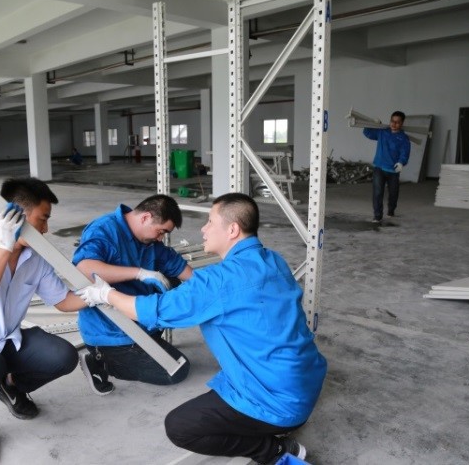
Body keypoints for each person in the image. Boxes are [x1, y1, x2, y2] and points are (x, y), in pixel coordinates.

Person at [77, 193, 327, 465]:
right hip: (306, 385)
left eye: (210, 222)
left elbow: (150, 309)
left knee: (180, 427)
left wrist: (105, 294)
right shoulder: (273, 260)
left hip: (275, 403)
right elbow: (87, 265)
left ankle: (275, 450)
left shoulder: (218, 281)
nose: (203, 229)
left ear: (232, 230)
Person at [0, 177, 86, 420]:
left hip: (8, 341)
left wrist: (97, 294)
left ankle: (10, 384)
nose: (45, 229)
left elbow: (63, 300)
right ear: (17, 216)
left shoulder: (35, 258)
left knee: (64, 356)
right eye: (42, 219)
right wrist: (4, 246)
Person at [72, 194, 193, 395]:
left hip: (139, 325)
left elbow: (184, 271)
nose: (160, 238)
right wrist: (139, 273)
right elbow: (85, 269)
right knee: (176, 371)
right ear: (145, 217)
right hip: (111, 332)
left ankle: (142, 343)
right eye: (161, 231)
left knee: (174, 283)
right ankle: (99, 361)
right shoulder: (104, 229)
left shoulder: (150, 242)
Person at [363, 110, 410, 223]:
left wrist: (401, 162)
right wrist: (371, 124)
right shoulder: (382, 132)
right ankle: (377, 216)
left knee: (393, 193)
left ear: (402, 123)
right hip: (379, 167)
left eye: (397, 122)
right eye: (392, 121)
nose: (394, 124)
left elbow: (405, 152)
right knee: (378, 192)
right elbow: (368, 134)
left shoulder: (403, 138)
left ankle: (391, 210)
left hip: (393, 170)